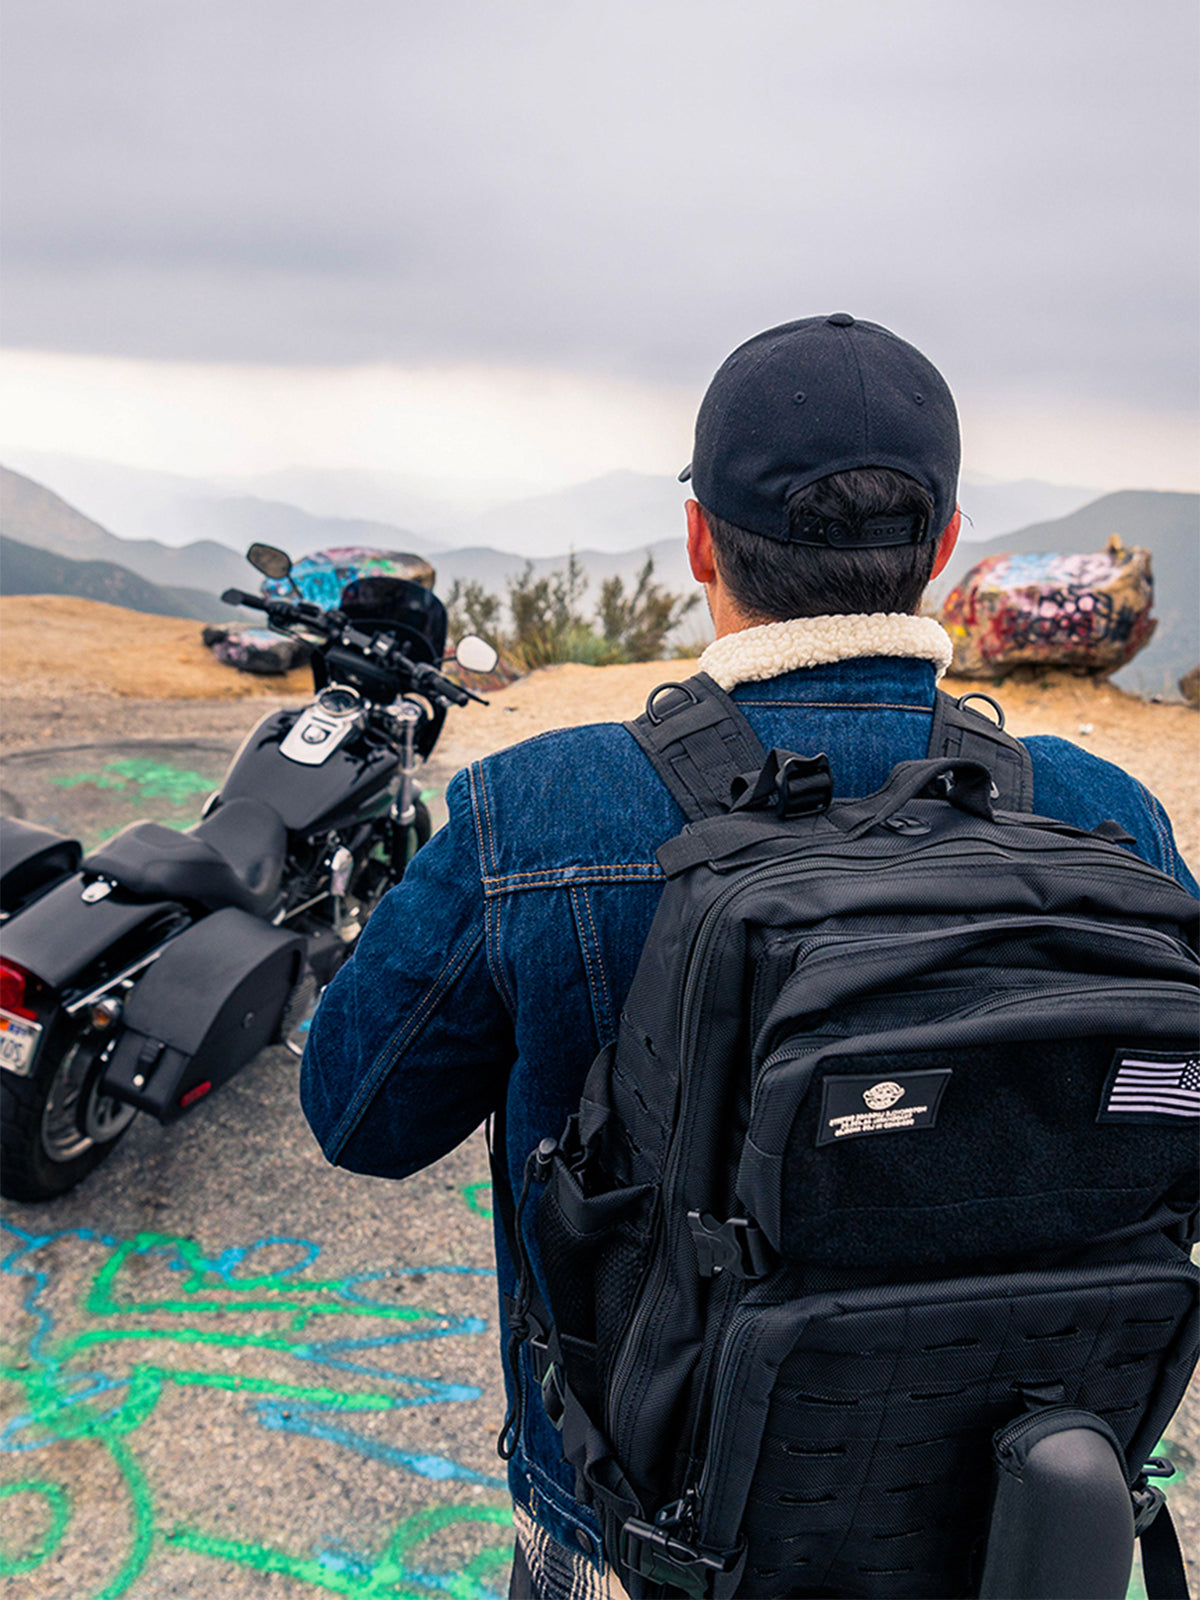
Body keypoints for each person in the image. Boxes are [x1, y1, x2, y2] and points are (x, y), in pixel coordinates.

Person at [300, 314, 1197, 1599]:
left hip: (638, 1536)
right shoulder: (1108, 818)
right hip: (1011, 1521)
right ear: (944, 544)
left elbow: (358, 1116)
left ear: (699, 542)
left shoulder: (534, 812)